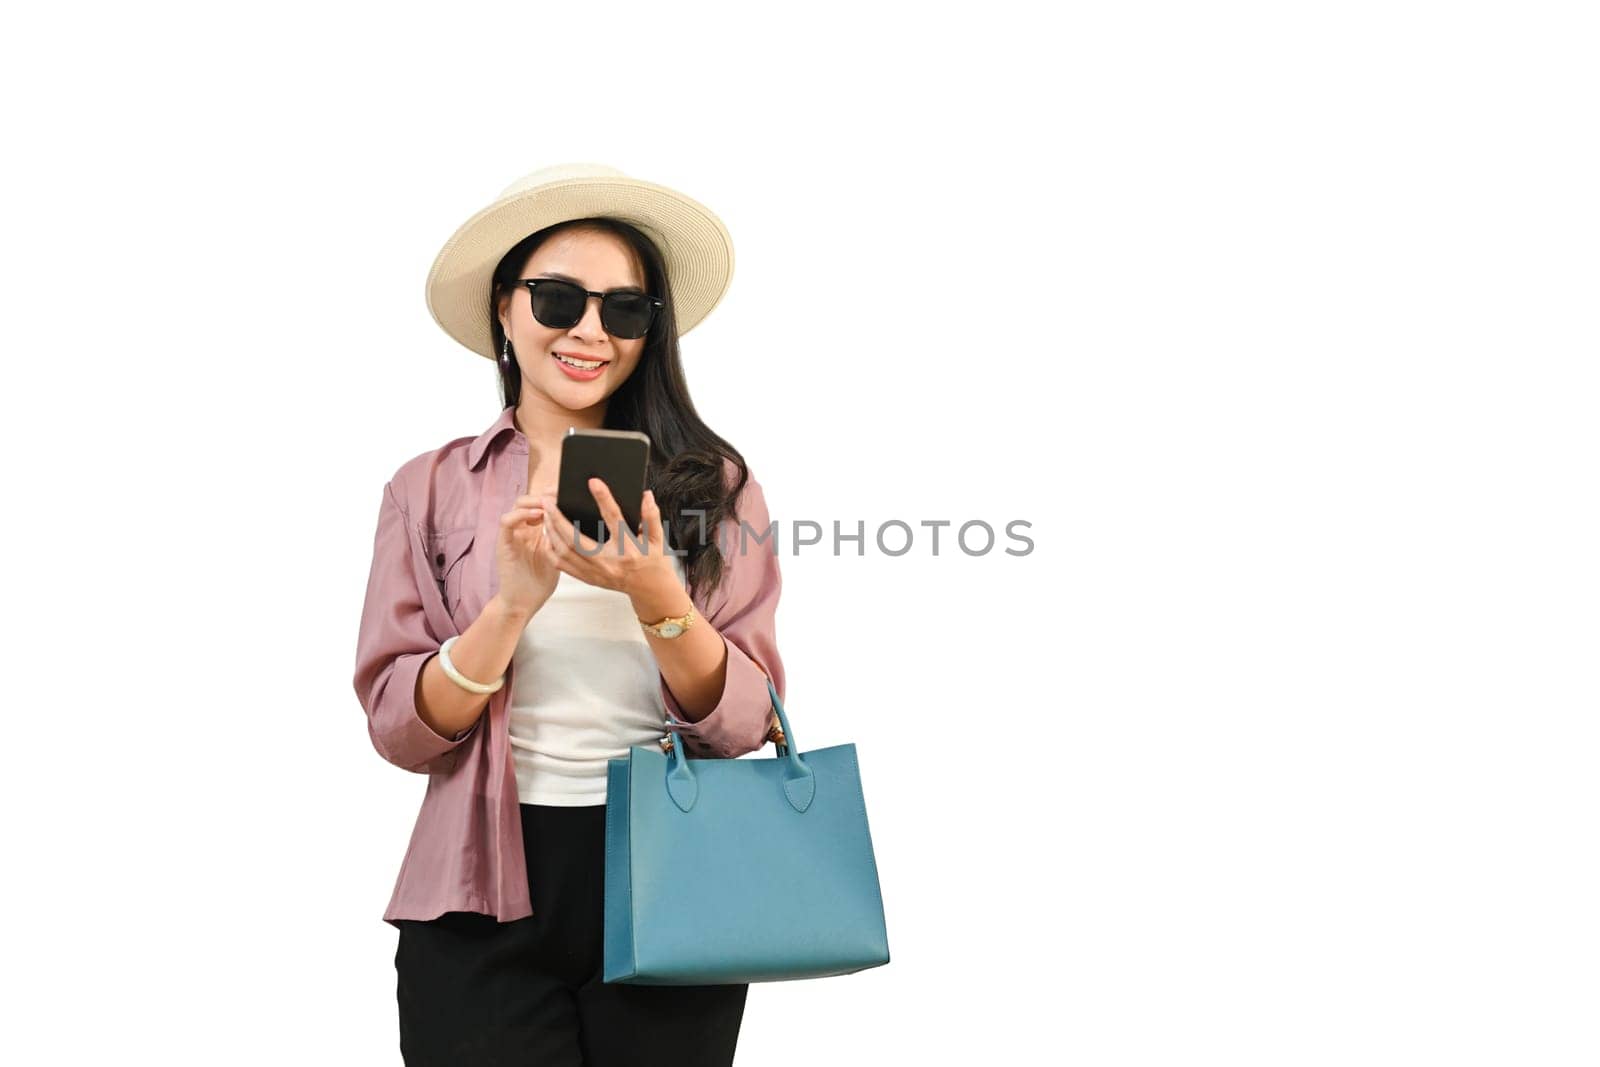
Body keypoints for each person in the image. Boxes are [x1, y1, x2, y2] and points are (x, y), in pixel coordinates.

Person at [352, 163, 786, 1066]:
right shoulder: (427, 489)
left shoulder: (719, 489)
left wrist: (658, 597)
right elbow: (400, 730)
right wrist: (509, 609)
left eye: (625, 310)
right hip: (478, 890)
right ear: (504, 313)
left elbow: (745, 721)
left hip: (671, 877)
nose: (591, 331)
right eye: (558, 300)